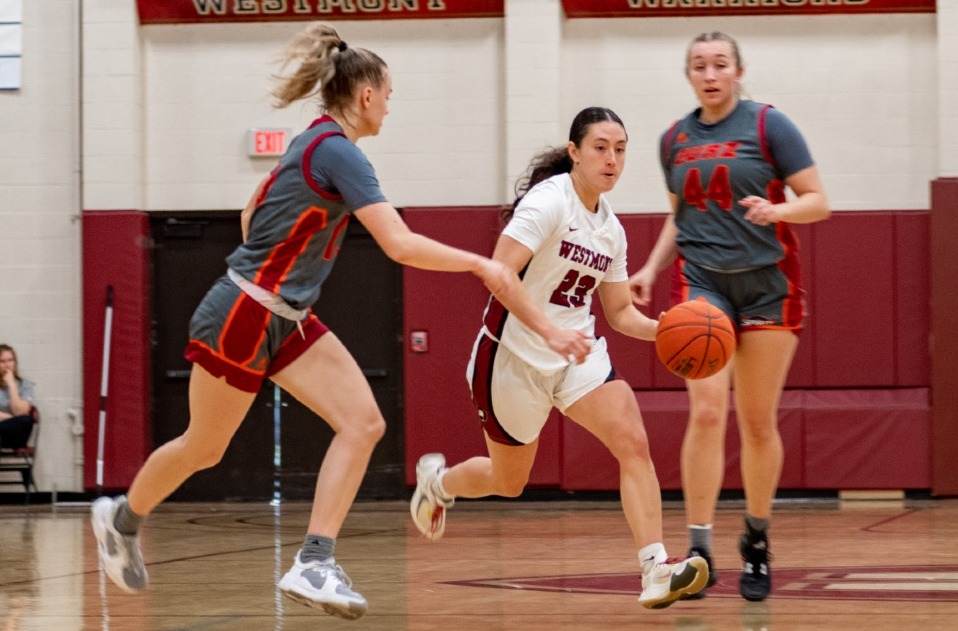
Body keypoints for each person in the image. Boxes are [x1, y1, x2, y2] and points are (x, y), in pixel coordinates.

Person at [90, 22, 526, 621]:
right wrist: (482, 265)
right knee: (204, 448)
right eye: (390, 96)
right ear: (367, 95)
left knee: (363, 423)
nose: (390, 108)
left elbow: (250, 212)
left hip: (284, 317)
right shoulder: (340, 151)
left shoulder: (313, 141)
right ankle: (120, 521)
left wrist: (283, 283)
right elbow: (397, 243)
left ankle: (314, 560)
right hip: (243, 312)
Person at [409, 106, 709, 609]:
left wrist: (672, 332)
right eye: (600, 148)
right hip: (511, 357)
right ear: (574, 152)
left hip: (576, 355)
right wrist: (547, 331)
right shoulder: (548, 203)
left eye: (620, 149)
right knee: (509, 482)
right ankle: (437, 485)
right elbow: (498, 273)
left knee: (633, 441)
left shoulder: (611, 229)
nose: (612, 159)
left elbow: (617, 313)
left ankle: (655, 568)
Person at [628, 31, 830, 601]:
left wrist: (778, 209)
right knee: (708, 413)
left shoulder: (770, 126)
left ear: (739, 71)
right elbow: (680, 217)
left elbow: (819, 201)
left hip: (769, 287)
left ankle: (757, 541)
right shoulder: (673, 139)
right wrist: (648, 267)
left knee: (758, 422)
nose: (710, 74)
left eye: (720, 64)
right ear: (688, 75)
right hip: (702, 285)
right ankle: (698, 549)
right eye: (699, 65)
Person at [0, 344, 35, 450]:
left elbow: (20, 412)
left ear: (15, 362)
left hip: (15, 436)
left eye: (10, 360)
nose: (7, 365)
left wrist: (11, 385)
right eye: (2, 361)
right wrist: (10, 418)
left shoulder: (26, 385)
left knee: (26, 419)